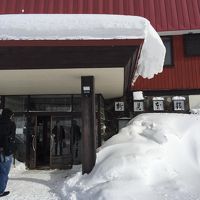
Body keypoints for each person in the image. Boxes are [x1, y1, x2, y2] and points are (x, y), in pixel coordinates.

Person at [0, 108, 16, 197]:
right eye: (12, 115)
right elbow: (11, 138)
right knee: (4, 172)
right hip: (6, 152)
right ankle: (1, 190)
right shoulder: (11, 124)